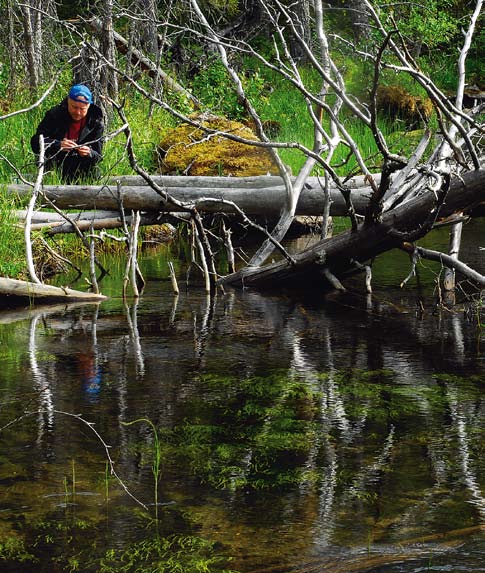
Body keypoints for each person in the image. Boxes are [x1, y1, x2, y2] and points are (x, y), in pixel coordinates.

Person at [31, 84, 104, 183]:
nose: (78, 112)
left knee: (95, 172)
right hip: (56, 165)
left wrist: (89, 153)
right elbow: (35, 142)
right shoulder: (55, 115)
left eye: (82, 109)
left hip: (81, 168)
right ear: (68, 101)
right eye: (74, 107)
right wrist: (58, 145)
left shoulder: (96, 122)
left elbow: (98, 156)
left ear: (88, 106)